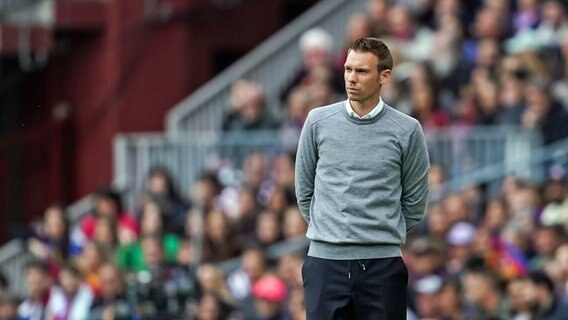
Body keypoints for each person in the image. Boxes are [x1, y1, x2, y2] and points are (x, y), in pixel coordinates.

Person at [295, 37, 430, 319]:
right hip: (324, 263)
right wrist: (332, 233)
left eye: (362, 71)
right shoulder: (317, 122)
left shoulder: (407, 129)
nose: (351, 78)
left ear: (385, 76)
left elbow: (415, 203)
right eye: (348, 69)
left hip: (383, 266)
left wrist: (377, 235)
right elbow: (304, 190)